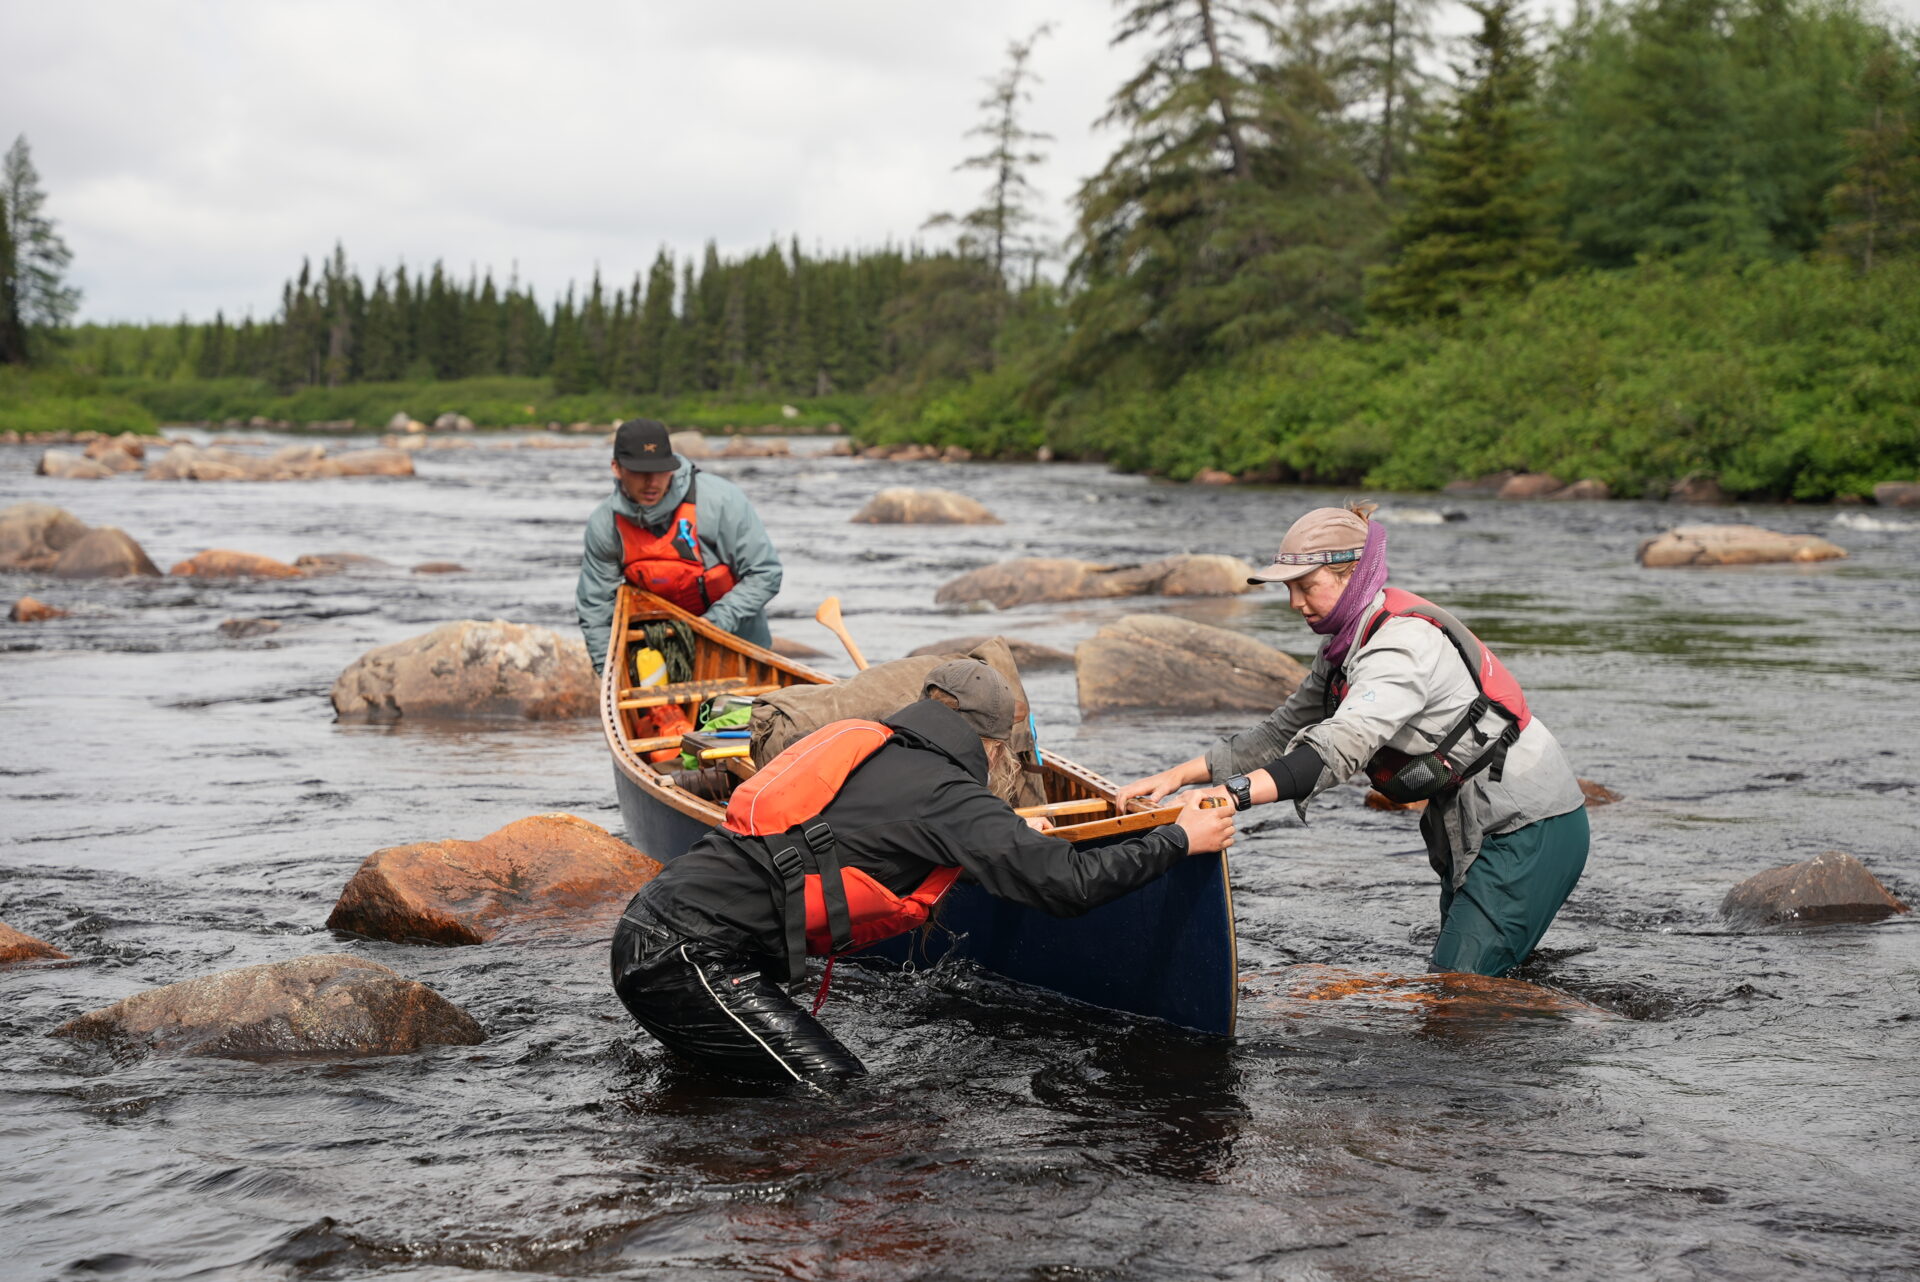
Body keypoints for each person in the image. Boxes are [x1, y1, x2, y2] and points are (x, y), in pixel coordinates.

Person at [610, 660, 1237, 1086]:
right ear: (991, 747)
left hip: (660, 927)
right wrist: (1180, 839)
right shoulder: (952, 796)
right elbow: (1069, 885)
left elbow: (876, 847)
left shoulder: (875, 745)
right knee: (838, 1094)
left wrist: (1009, 843)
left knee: (738, 1087)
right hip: (688, 957)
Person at [1118, 503, 1588, 979]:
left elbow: (1336, 749)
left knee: (1455, 989)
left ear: (1353, 576)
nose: (1295, 603)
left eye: (1306, 586)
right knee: (1479, 980)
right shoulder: (1344, 645)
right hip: (1476, 821)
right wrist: (1177, 776)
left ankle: (1592, 1024)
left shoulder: (1399, 646)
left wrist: (1231, 795)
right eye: (1289, 589)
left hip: (1527, 826)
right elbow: (1281, 733)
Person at [575, 418, 783, 676]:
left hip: (736, 645)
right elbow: (596, 605)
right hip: (656, 654)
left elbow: (765, 574)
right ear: (616, 468)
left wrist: (710, 625)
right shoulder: (605, 523)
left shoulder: (721, 501)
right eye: (640, 472)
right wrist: (607, 670)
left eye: (662, 470)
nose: (652, 482)